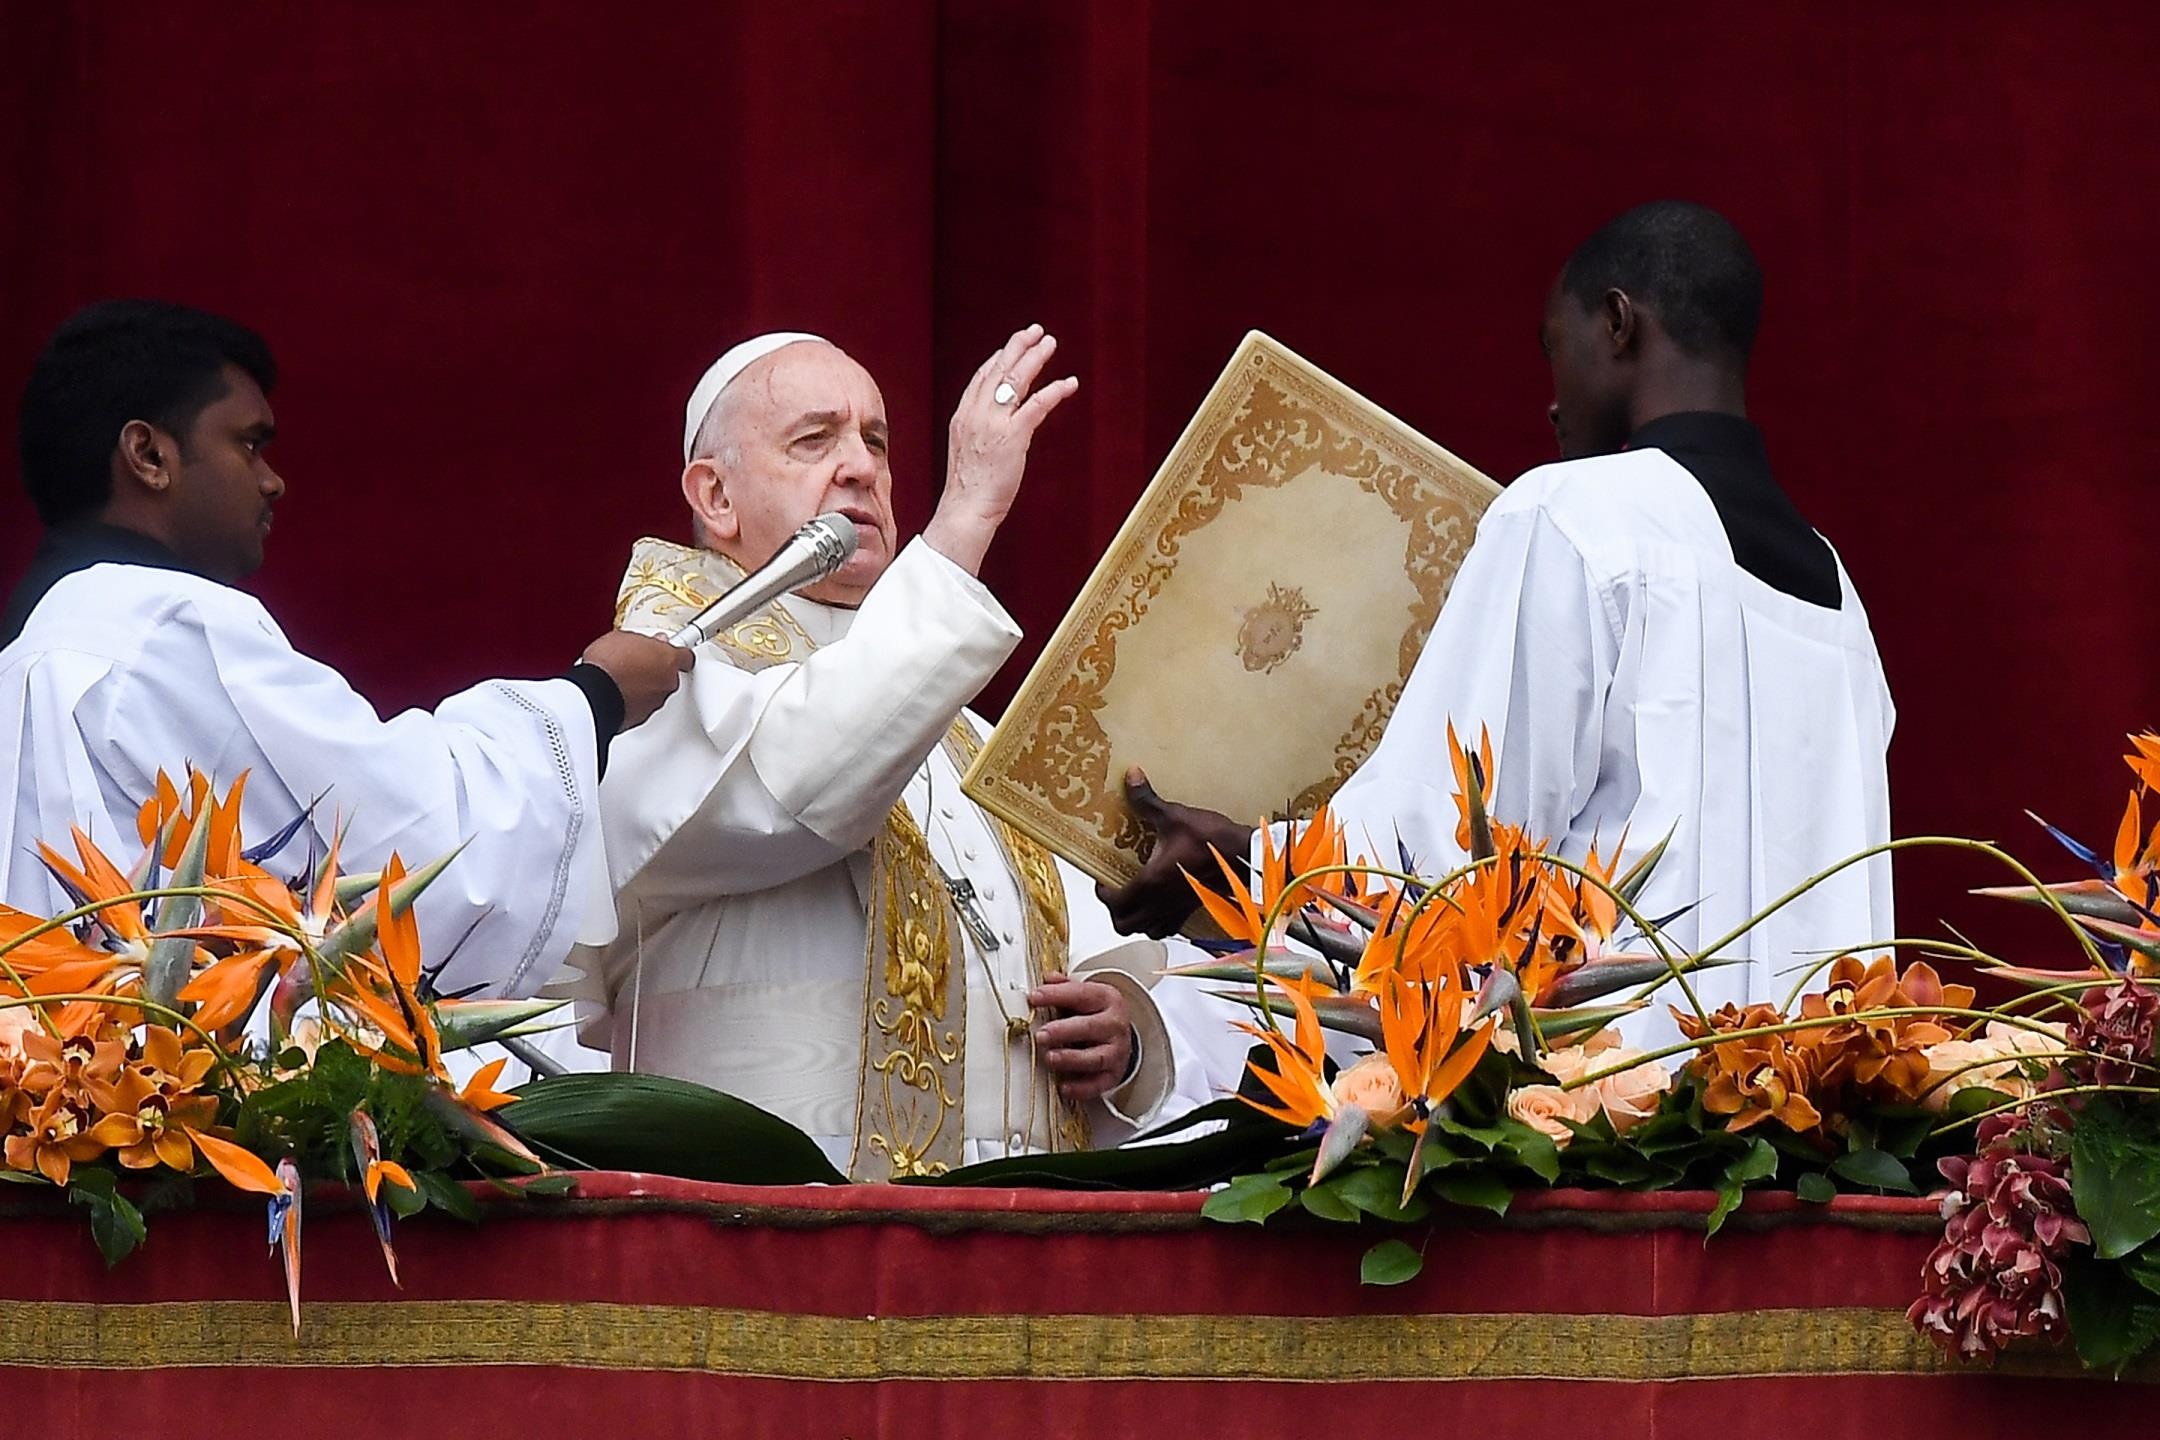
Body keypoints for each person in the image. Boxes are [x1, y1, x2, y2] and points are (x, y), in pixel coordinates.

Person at [1101, 202, 1895, 1047]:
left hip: (1613, 1124)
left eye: (1556, 351)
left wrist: (1239, 859)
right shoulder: (1839, 593)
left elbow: (1457, 851)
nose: (1552, 405)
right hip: (1809, 1126)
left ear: (1618, 325)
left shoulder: (1575, 513)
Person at [555, 326, 1193, 1176]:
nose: (860, 466)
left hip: (1007, 1246)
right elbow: (803, 789)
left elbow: (1094, 950)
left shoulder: (964, 726)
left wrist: (1123, 1030)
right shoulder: (662, 679)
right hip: (767, 1251)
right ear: (715, 497)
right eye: (814, 440)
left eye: (876, 441)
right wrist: (964, 518)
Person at [0, 300, 691, 1000]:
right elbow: (410, 849)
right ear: (150, 456)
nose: (273, 480)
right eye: (248, 444)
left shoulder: (38, 640)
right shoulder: (160, 627)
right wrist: (596, 696)